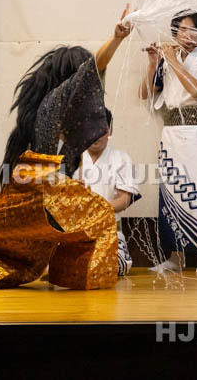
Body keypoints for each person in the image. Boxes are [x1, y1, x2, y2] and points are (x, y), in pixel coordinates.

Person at [0, 5, 136, 290]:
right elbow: (96, 66)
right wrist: (117, 38)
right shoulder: (61, 97)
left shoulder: (41, 111)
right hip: (45, 184)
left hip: (23, 187)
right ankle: (75, 278)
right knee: (101, 216)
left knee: (22, 259)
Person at [139, 9, 197, 274]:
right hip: (171, 133)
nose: (189, 35)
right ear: (174, 33)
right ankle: (175, 257)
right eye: (183, 30)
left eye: (194, 30)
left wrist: (172, 60)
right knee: (170, 192)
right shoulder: (167, 59)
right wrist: (155, 62)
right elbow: (144, 93)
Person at [72, 109, 141, 276]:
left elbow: (123, 201)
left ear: (110, 130)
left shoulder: (121, 159)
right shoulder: (72, 160)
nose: (96, 134)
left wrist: (94, 209)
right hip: (77, 234)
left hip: (109, 231)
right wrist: (71, 193)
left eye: (101, 129)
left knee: (115, 266)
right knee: (62, 267)